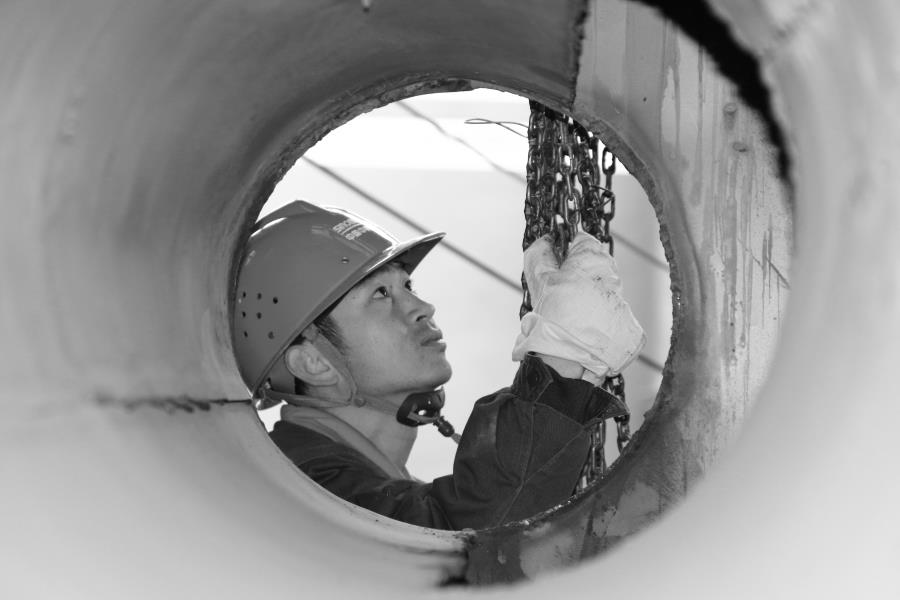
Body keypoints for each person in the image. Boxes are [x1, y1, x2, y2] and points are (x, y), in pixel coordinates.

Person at [232, 200, 645, 530]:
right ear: (313, 362)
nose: (423, 307)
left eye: (407, 285)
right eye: (380, 294)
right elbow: (462, 541)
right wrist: (563, 359)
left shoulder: (354, 482)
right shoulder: (302, 490)